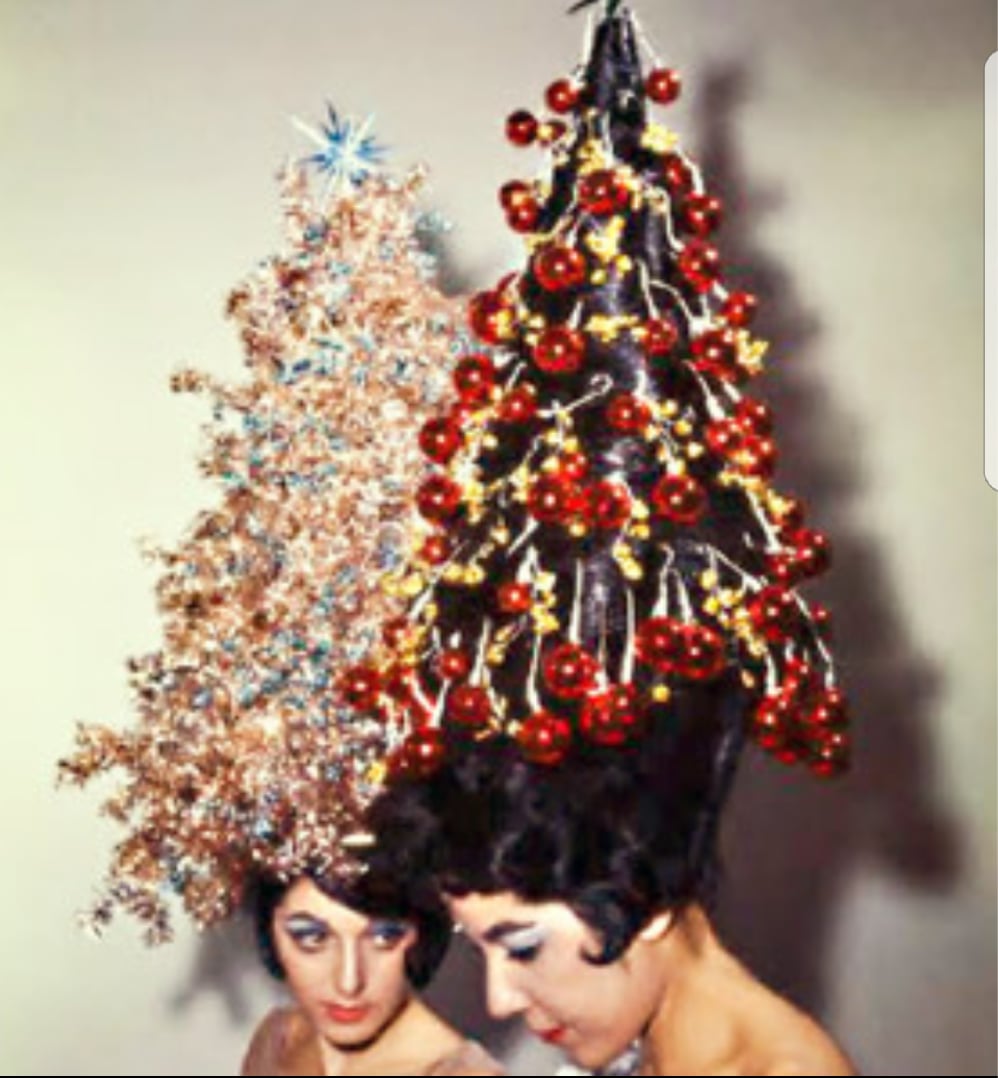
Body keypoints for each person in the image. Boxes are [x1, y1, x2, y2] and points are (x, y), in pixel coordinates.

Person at [365, 678, 857, 1078]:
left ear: (646, 899)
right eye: (479, 950)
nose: (499, 1000)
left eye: (524, 949)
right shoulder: (655, 1048)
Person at [241, 871, 502, 1076]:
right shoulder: (281, 1037)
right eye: (312, 937)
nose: (349, 983)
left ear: (421, 933)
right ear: (269, 930)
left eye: (384, 937)